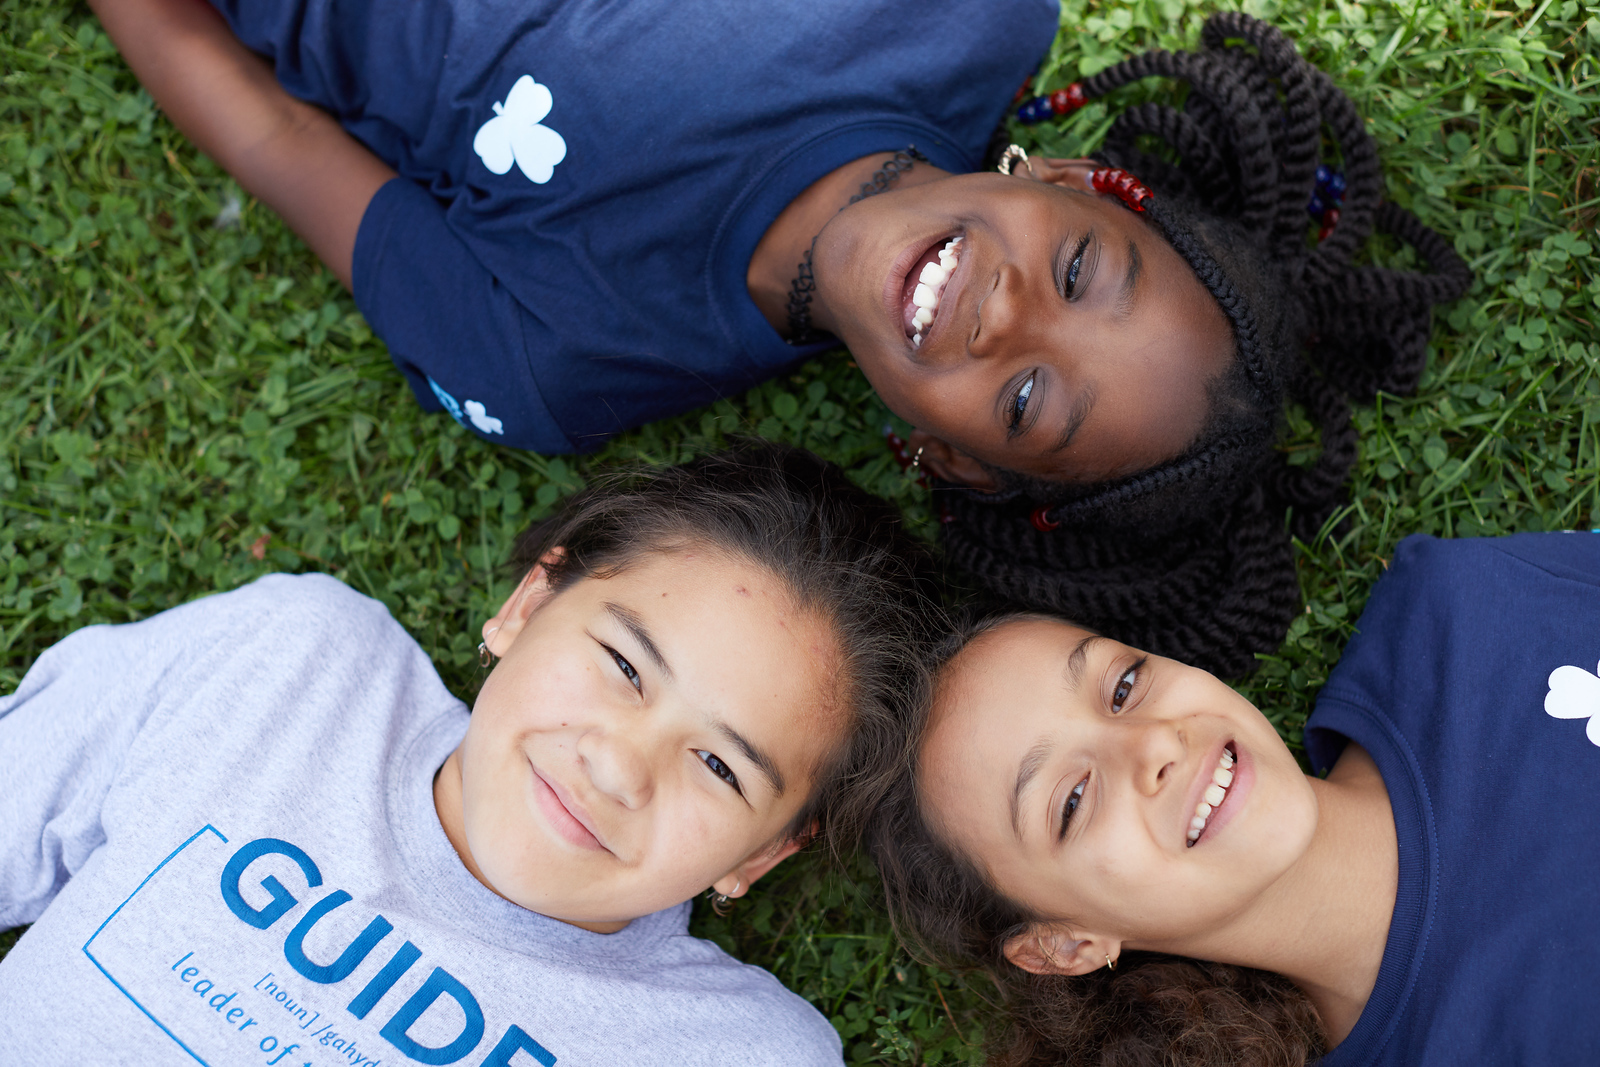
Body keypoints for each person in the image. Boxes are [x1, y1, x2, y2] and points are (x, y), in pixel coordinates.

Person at [87, 2, 1466, 676]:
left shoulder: (562, 356)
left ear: (952, 462)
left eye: (1031, 398)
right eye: (1084, 268)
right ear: (1066, 183)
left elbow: (272, 134)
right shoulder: (959, 15)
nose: (1005, 311)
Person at [0, 442, 939, 1066]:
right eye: (623, 664)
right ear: (528, 606)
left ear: (760, 853)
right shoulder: (295, 664)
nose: (618, 766)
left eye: (722, 766)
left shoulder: (734, 1053)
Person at [871, 531, 1600, 1066]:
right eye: (1072, 800)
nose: (1153, 745)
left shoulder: (1458, 612)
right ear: (1065, 944)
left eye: (1123, 686)